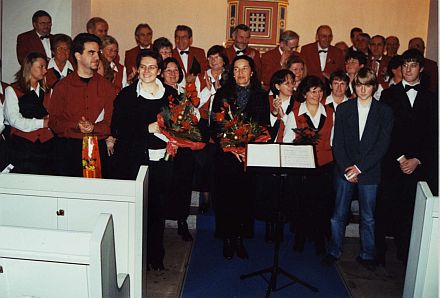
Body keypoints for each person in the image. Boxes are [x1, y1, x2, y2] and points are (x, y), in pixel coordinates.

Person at [110, 49, 182, 269]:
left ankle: (155, 257)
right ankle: (135, 258)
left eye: (152, 67)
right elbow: (117, 128)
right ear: (137, 69)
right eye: (143, 67)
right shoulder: (127, 95)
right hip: (135, 161)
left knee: (158, 210)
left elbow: (182, 126)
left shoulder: (171, 95)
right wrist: (147, 129)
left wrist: (178, 137)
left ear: (159, 71)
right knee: (137, 212)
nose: (147, 71)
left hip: (163, 160)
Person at [322, 68, 393, 271]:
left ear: (374, 86)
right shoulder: (344, 109)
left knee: (368, 216)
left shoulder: (384, 111)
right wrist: (348, 168)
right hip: (344, 170)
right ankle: (334, 251)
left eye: (367, 85)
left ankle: (367, 254)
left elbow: (382, 144)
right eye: (359, 84)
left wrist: (360, 168)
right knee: (338, 214)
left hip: (370, 171)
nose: (363, 89)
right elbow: (338, 143)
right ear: (355, 86)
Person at [376, 49, 438, 267]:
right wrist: (401, 158)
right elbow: (385, 132)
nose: (409, 69)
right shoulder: (388, 95)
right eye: (405, 65)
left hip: (420, 166)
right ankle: (378, 253)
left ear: (421, 68)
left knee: (411, 211)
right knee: (384, 208)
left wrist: (417, 159)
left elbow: (433, 135)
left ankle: (406, 254)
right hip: (393, 162)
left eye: (413, 65)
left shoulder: (432, 98)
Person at [211, 55, 269, 259]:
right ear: (231, 72)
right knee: (226, 198)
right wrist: (231, 147)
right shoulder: (222, 94)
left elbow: (263, 126)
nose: (241, 73)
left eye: (245, 68)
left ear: (252, 72)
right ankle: (227, 239)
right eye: (236, 69)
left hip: (250, 156)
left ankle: (240, 239)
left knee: (245, 199)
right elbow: (215, 126)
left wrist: (246, 148)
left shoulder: (261, 95)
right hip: (227, 157)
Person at [49, 33, 116, 178]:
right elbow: (54, 122)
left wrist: (94, 128)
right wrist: (75, 125)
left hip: (98, 148)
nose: (97, 57)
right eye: (91, 52)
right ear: (78, 56)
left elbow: (112, 123)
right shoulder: (62, 87)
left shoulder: (107, 87)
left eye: (98, 52)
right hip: (68, 151)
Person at [290, 76, 334, 255]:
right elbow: (288, 141)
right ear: (305, 93)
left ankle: (319, 241)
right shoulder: (294, 113)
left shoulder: (330, 112)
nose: (317, 94)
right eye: (313, 91)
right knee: (303, 204)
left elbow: (334, 140)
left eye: (320, 91)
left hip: (325, 166)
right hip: (303, 168)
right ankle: (300, 237)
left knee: (321, 205)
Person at [4, 52, 54, 174]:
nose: (45, 70)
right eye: (41, 66)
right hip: (23, 147)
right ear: (29, 67)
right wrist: (43, 123)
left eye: (45, 67)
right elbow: (15, 121)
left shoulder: (49, 91)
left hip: (47, 146)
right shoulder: (13, 90)